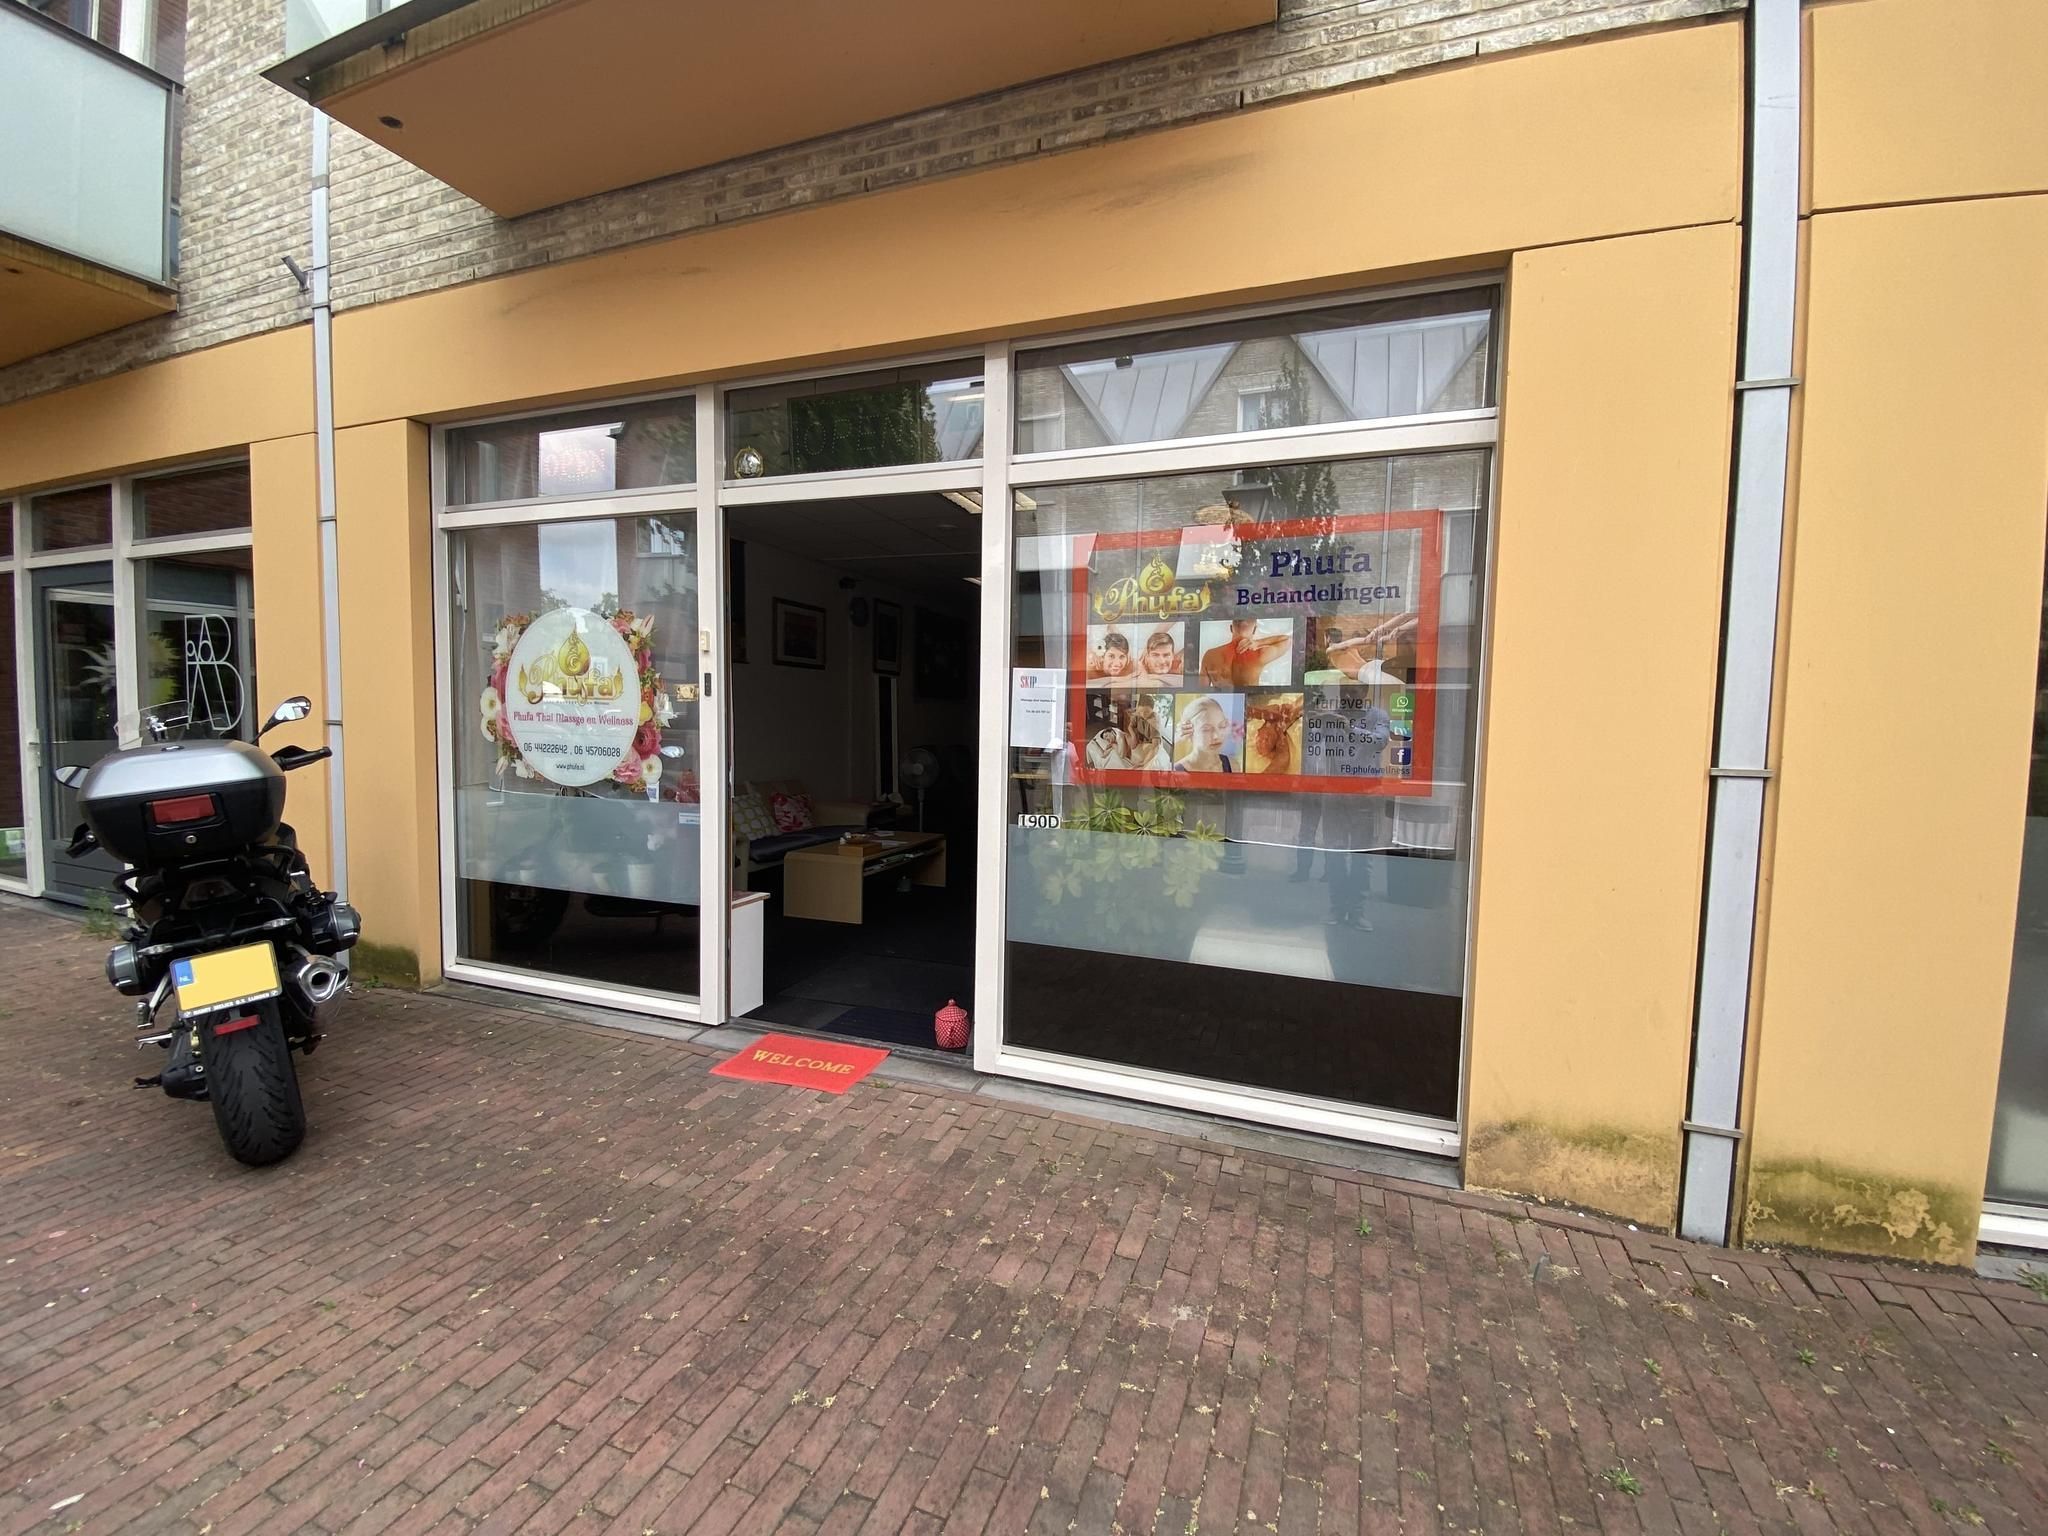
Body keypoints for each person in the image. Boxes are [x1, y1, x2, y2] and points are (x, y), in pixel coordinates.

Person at [1201, 619, 1291, 688]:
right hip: (1248, 703)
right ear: (1254, 629)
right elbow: (1287, 640)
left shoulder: (1210, 655)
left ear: (1231, 628)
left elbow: (1201, 690)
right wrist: (1258, 643)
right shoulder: (1260, 654)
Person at [1174, 696, 1236, 774]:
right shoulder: (1176, 772)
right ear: (1188, 732)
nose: (1216, 736)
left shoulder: (1233, 766)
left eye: (1222, 726)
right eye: (1206, 729)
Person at [1125, 698, 1169, 770]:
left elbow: (1155, 747)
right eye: (1141, 711)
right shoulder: (1138, 715)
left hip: (1152, 745)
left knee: (1148, 767)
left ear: (1152, 709)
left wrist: (1144, 762)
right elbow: (1130, 726)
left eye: (1147, 712)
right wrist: (1133, 736)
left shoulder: (1154, 722)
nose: (1143, 714)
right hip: (1142, 740)